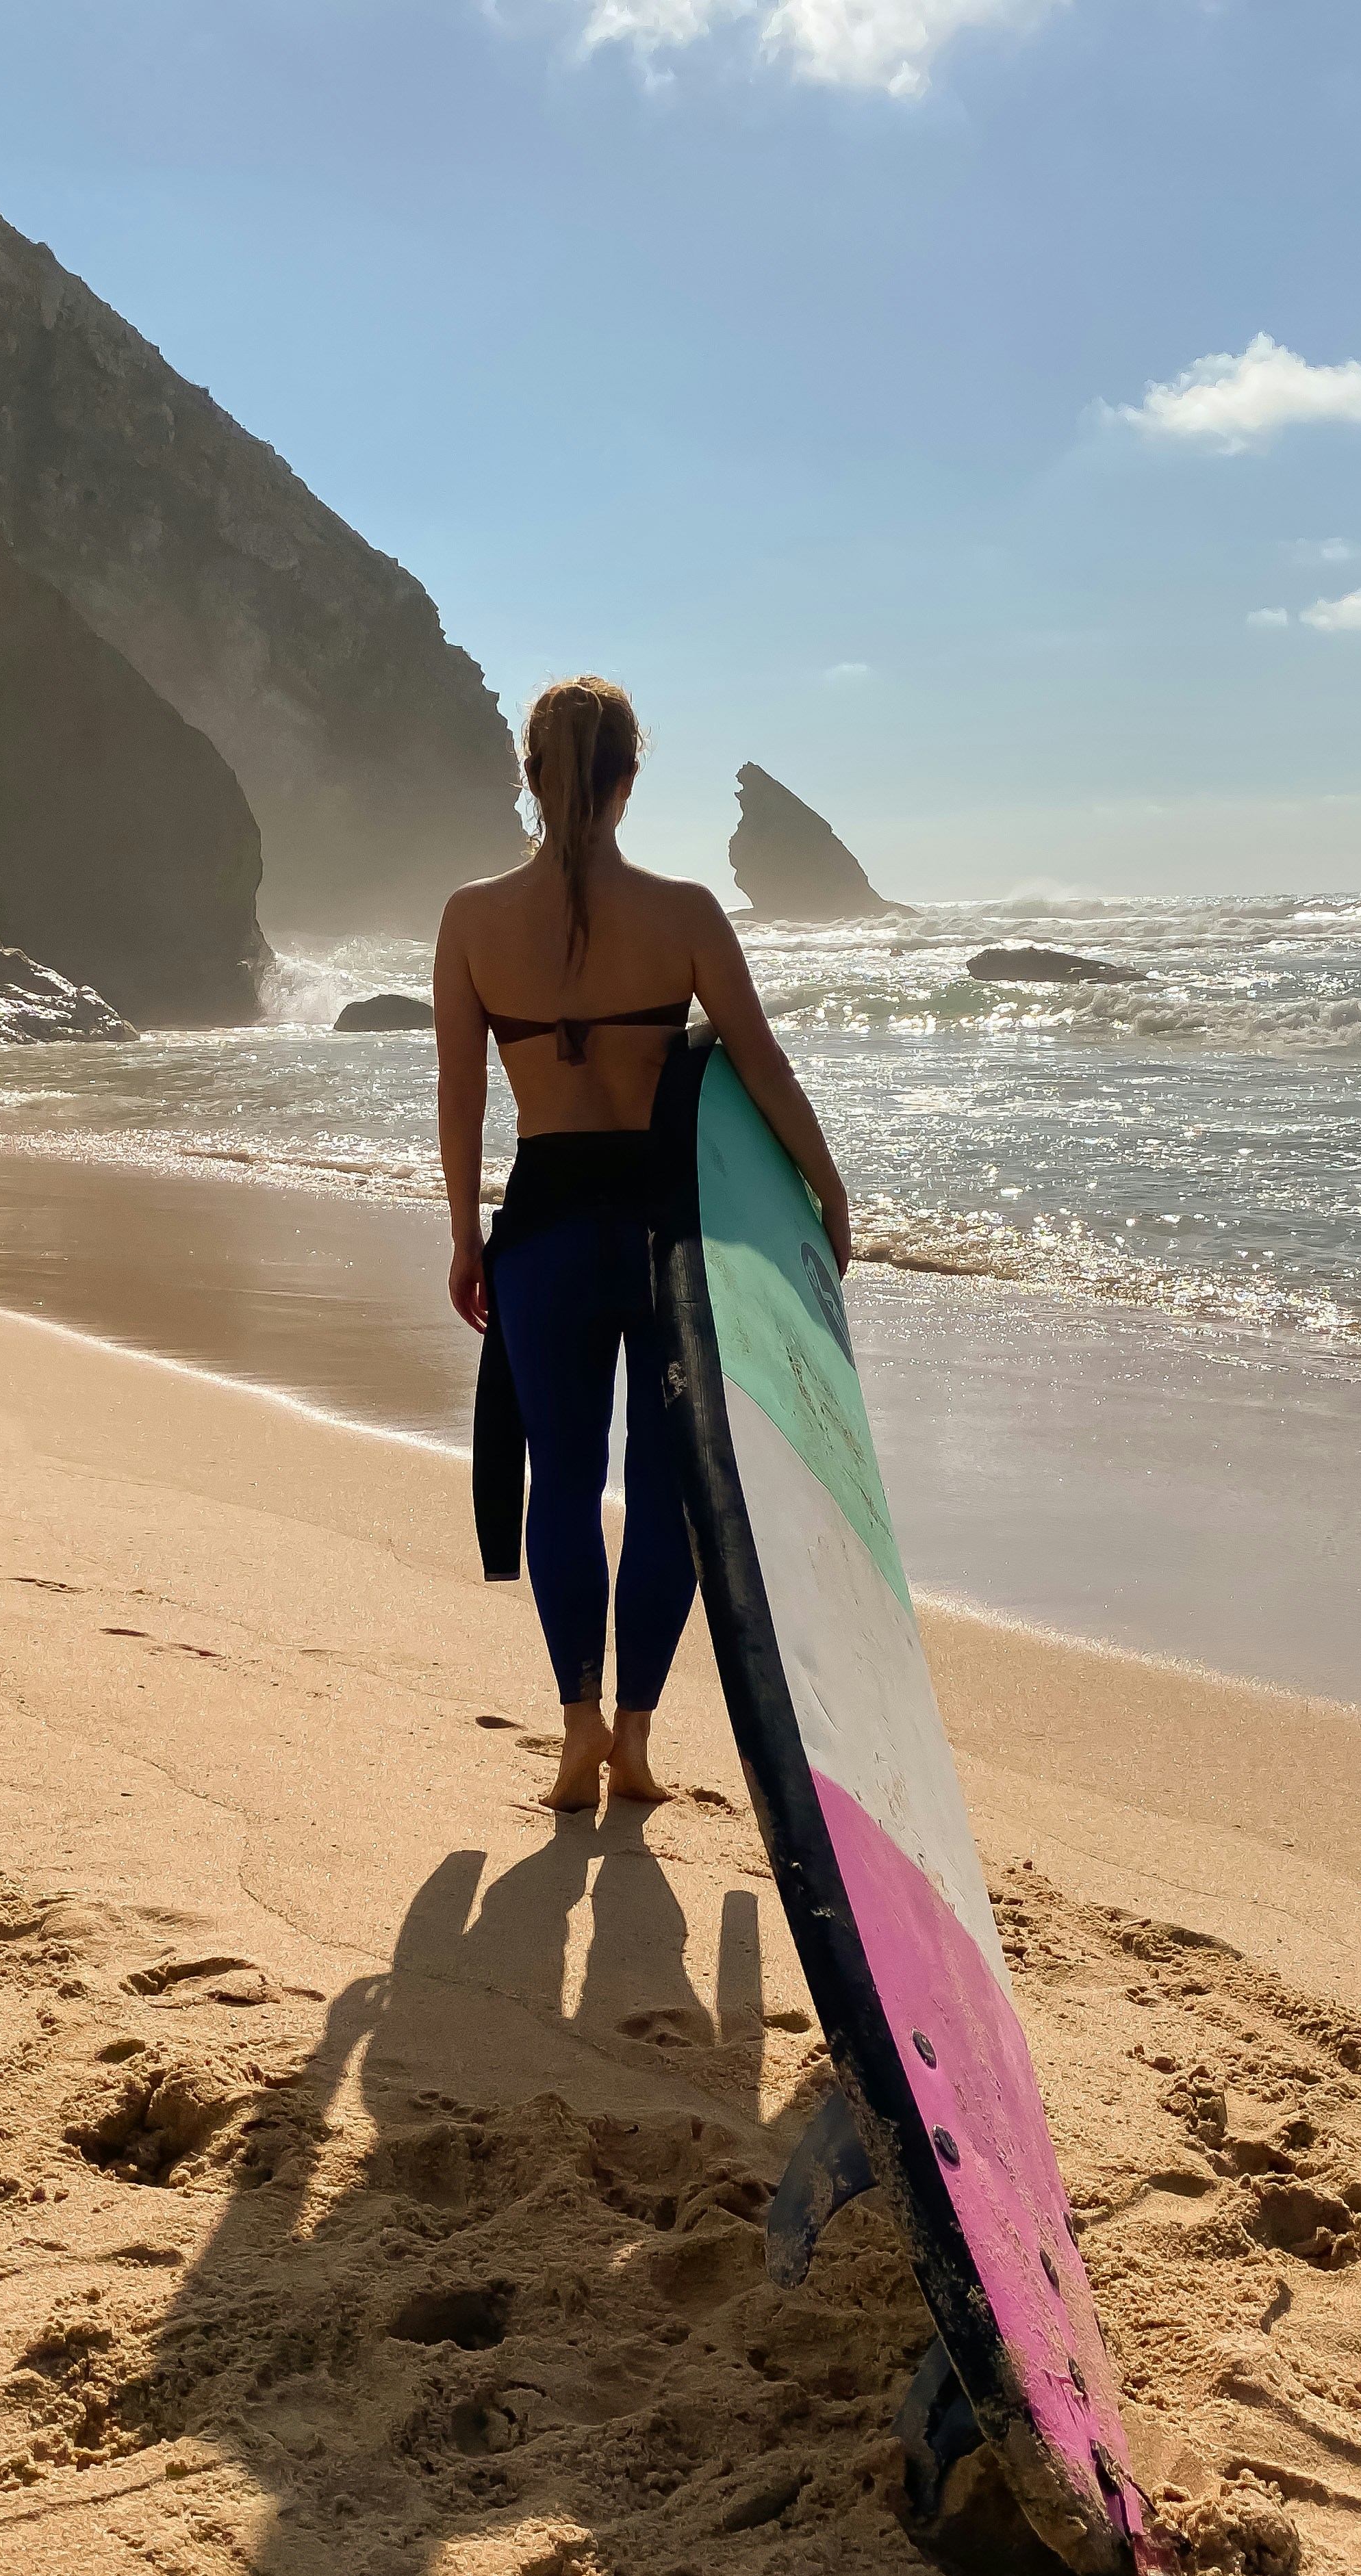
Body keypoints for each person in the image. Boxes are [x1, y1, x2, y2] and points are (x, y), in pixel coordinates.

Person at [434, 676, 852, 1812]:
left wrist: (470, 1235)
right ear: (628, 782)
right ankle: (635, 1739)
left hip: (545, 1228)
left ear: (531, 776)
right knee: (665, 1493)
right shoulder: (685, 915)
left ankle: (572, 1726)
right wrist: (827, 1189)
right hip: (673, 1239)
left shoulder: (472, 919)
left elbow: (463, 1097)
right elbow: (761, 1069)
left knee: (563, 1482)